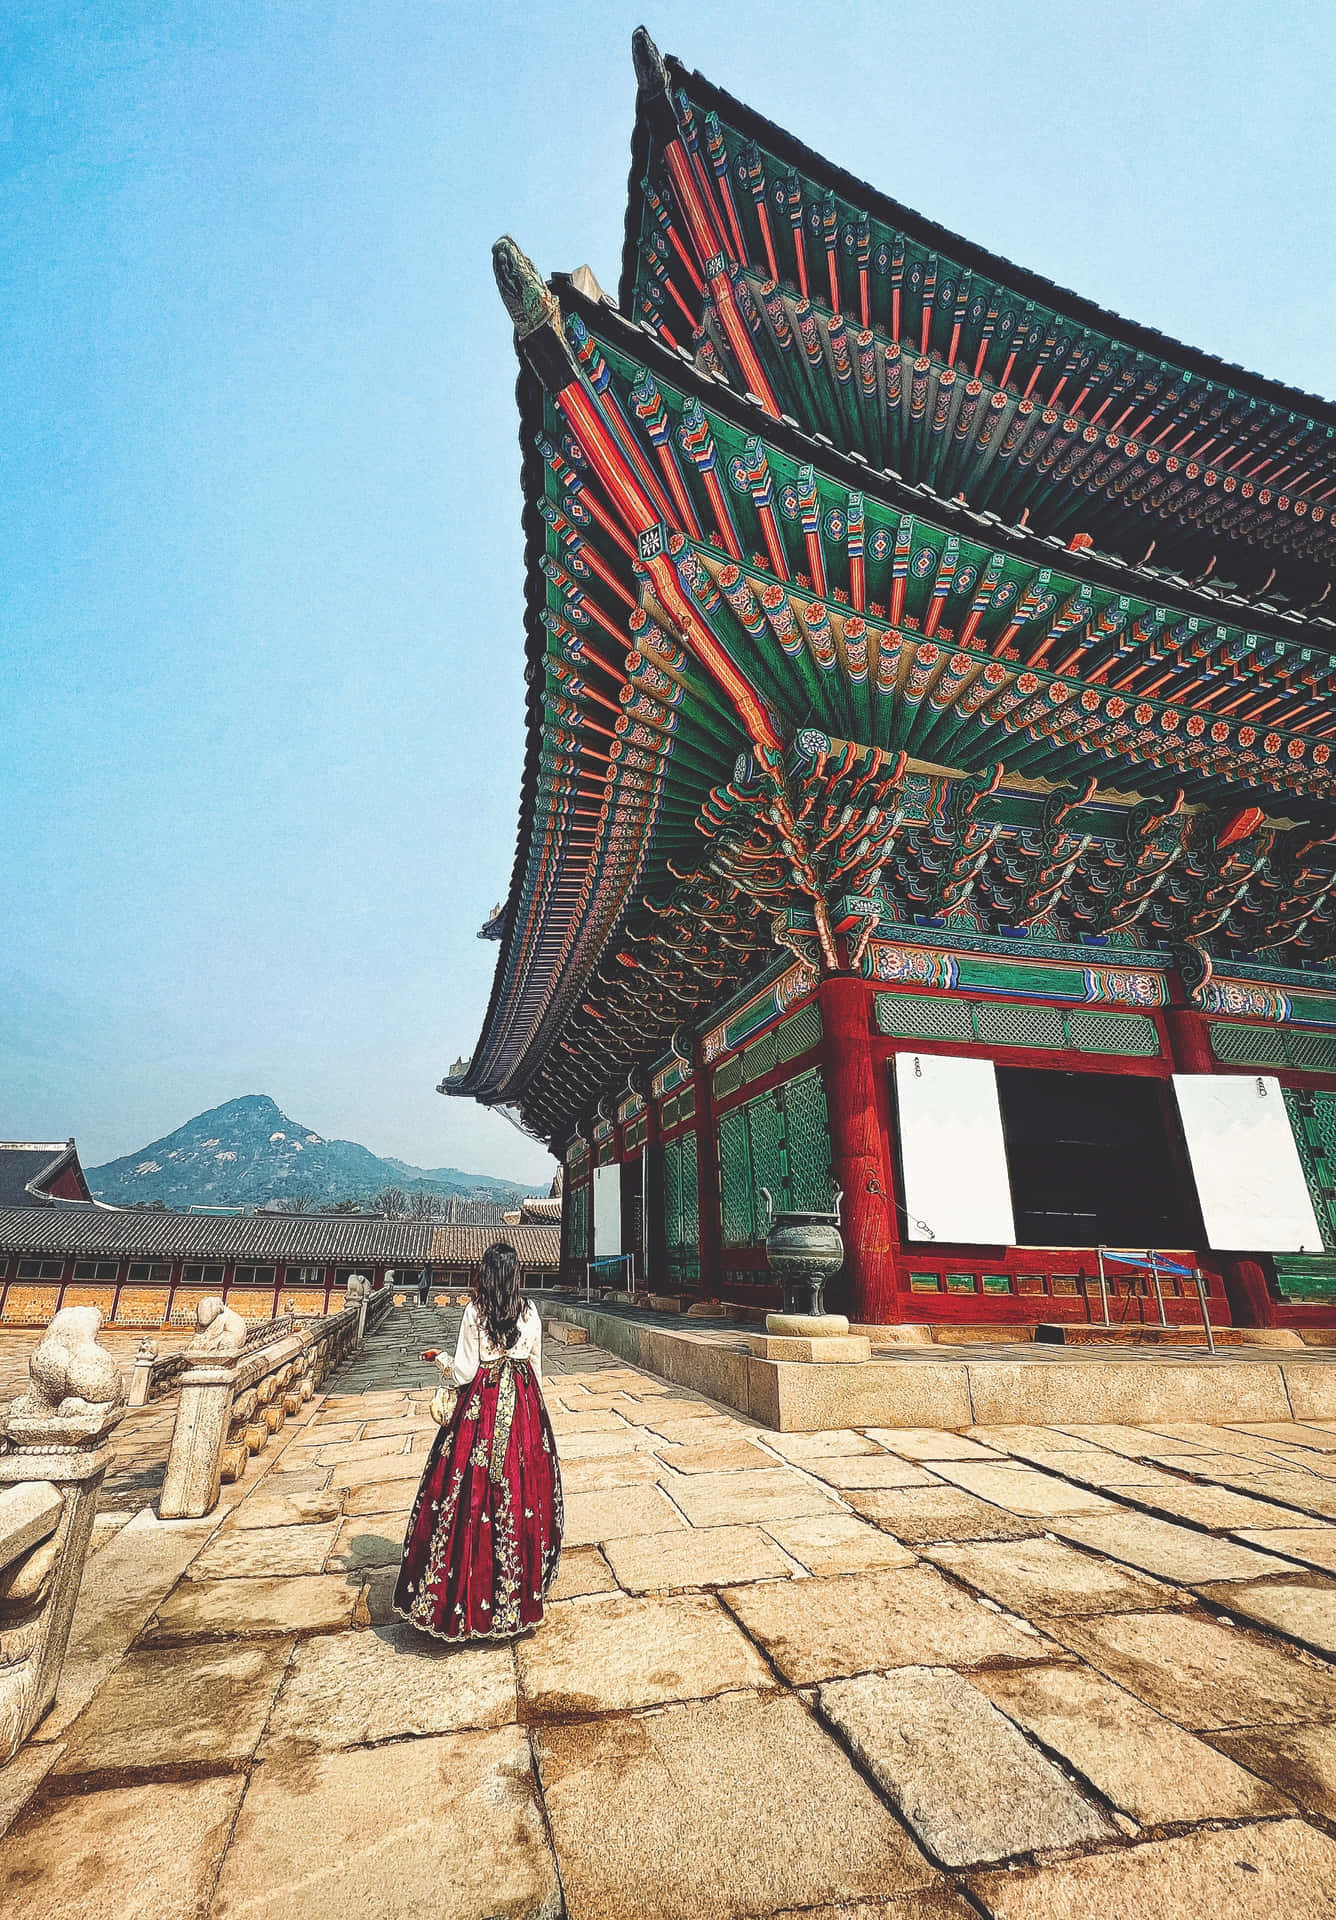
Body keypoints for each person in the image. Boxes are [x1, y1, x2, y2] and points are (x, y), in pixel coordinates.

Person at [395, 1240, 563, 1641]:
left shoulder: (475, 1312)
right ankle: (516, 1596)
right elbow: (535, 1370)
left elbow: (466, 1373)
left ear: (486, 1275)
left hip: (483, 1408)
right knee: (520, 1495)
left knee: (468, 1493)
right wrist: (533, 1418)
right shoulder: (531, 1312)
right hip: (522, 1406)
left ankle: (465, 1599)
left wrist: (439, 1359)